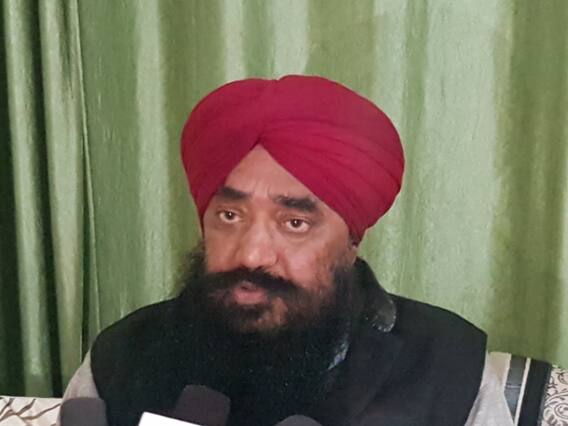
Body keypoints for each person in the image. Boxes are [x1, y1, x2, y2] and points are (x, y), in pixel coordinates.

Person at [61, 75, 516, 426]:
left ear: (352, 242)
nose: (252, 254)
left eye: (294, 223)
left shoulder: (448, 365)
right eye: (229, 216)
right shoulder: (122, 354)